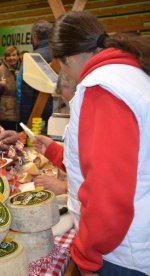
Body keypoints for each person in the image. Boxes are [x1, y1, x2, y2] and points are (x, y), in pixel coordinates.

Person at [38, 11, 150, 275]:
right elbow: (106, 161)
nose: (66, 75)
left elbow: (108, 191)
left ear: (70, 57)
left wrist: (87, 254)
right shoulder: (128, 75)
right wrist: (55, 152)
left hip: (122, 252)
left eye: (61, 65)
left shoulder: (101, 88)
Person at [17, 20, 54, 128]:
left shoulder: (32, 58)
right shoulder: (61, 54)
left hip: (37, 118)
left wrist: (24, 124)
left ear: (34, 37)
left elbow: (26, 94)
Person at [0, 46, 20, 130]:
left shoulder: (21, 69)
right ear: (5, 57)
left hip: (19, 109)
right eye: (8, 55)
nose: (11, 58)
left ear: (18, 56)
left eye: (14, 55)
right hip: (5, 111)